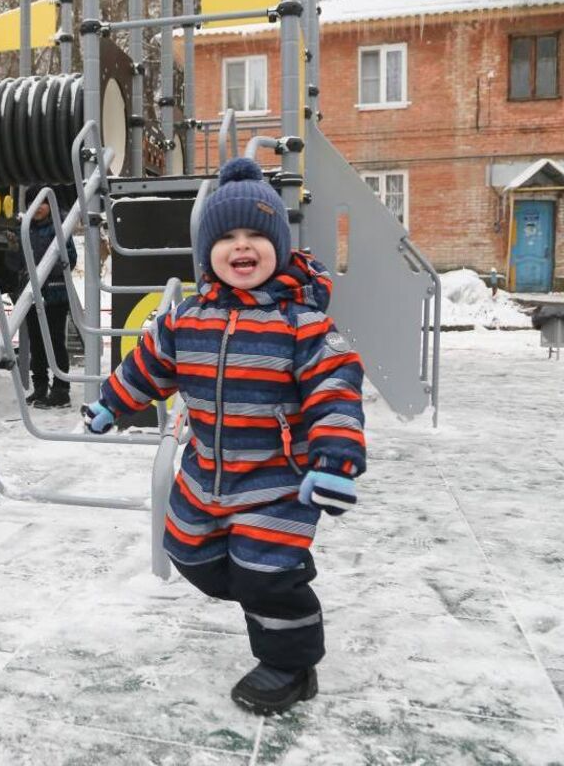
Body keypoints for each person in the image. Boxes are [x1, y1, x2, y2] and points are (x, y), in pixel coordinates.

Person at [82, 158, 367, 715]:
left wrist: (334, 460)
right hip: (204, 469)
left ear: (279, 248)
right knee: (186, 551)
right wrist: (111, 404)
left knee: (266, 574)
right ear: (209, 251)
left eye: (256, 235)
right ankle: (268, 586)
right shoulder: (188, 318)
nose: (242, 247)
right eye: (228, 237)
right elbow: (148, 367)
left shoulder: (303, 324)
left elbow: (336, 389)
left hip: (276, 479)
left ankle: (291, 663)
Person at [18, 186, 78, 408]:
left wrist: (50, 267)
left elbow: (70, 259)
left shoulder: (59, 228)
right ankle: (40, 387)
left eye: (42, 204)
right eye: (33, 204)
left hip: (54, 293)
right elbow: (17, 261)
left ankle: (61, 389)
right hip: (32, 295)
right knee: (36, 343)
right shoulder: (25, 229)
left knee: (54, 341)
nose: (38, 209)